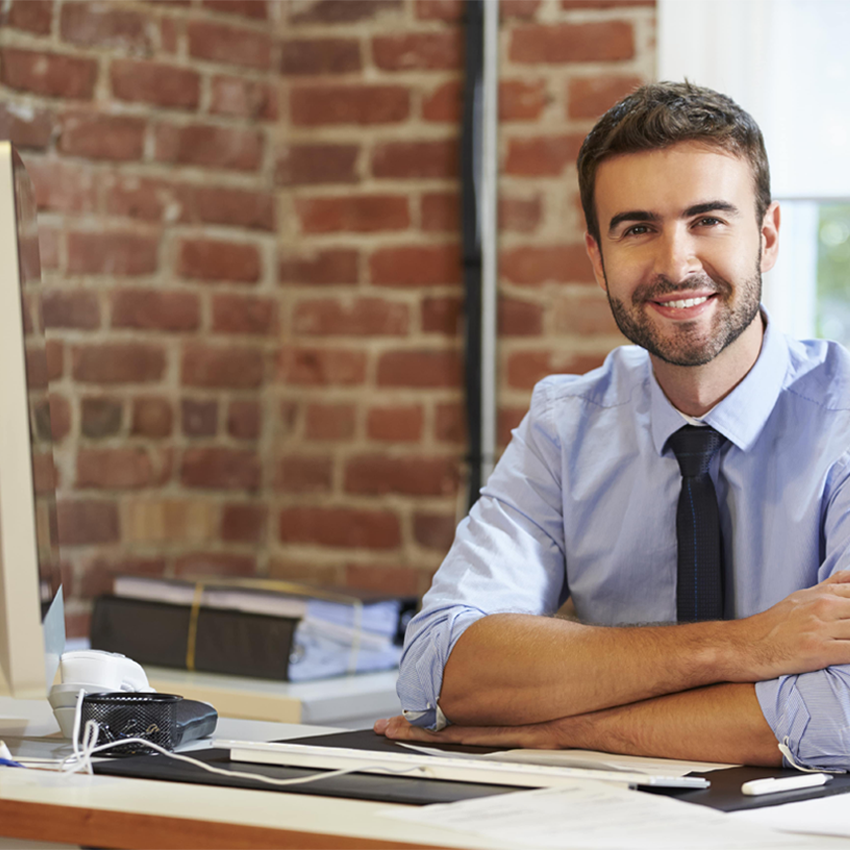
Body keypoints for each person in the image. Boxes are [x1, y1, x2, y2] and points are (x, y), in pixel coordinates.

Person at [374, 81, 850, 771]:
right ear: (597, 255)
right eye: (637, 228)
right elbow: (443, 668)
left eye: (708, 220)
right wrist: (744, 647)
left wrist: (561, 729)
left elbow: (842, 717)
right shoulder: (566, 425)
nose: (675, 263)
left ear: (768, 236)